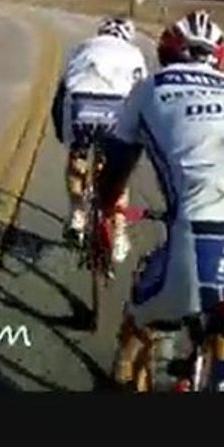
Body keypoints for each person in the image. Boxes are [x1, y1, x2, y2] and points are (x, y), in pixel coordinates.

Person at [94, 10, 224, 391]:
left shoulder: (151, 87)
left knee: (142, 314)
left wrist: (106, 208)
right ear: (218, 58)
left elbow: (118, 164)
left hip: (203, 245)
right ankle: (222, 378)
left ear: (165, 53)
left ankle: (120, 376)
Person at [50, 15, 149, 265]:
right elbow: (143, 93)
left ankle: (77, 216)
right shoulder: (134, 52)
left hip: (80, 102)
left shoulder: (83, 47)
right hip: (116, 109)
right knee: (118, 176)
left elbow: (62, 90)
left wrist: (67, 139)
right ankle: (119, 235)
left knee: (77, 160)